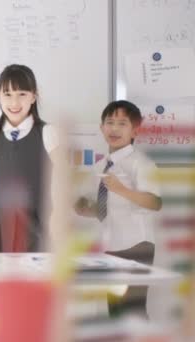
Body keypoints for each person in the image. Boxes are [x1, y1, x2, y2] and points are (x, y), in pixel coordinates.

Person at [74, 100, 161, 317]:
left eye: (122, 123)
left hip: (136, 245)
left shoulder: (141, 163)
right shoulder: (99, 166)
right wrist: (83, 208)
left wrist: (122, 189)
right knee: (116, 312)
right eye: (110, 122)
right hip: (110, 246)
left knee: (133, 312)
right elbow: (103, 207)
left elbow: (155, 202)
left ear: (135, 131)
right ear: (102, 128)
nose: (114, 129)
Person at [0, 64, 59, 252]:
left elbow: (62, 182)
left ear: (33, 96)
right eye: (7, 94)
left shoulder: (48, 134)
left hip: (36, 232)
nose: (14, 102)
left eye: (22, 94)